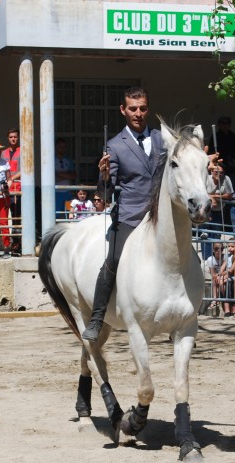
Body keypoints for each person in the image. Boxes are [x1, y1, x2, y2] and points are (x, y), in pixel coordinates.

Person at [82, 87, 165, 341]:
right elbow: (106, 195)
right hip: (130, 216)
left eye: (142, 109)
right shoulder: (115, 145)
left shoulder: (163, 139)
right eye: (132, 109)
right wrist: (104, 176)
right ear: (123, 110)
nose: (138, 114)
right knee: (112, 262)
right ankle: (96, 319)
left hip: (161, 216)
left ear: (147, 109)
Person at [3, 128, 22, 250]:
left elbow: (25, 169)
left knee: (17, 215)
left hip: (18, 188)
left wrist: (12, 178)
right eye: (11, 137)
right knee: (6, 216)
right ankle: (7, 243)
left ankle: (17, 243)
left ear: (18, 138)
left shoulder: (22, 151)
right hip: (5, 189)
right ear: (8, 138)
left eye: (15, 136)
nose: (13, 139)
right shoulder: (3, 153)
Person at [55, 137, 78, 216]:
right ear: (56, 147)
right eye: (60, 147)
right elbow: (54, 177)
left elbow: (74, 175)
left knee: (69, 214)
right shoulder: (52, 160)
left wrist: (60, 174)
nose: (63, 149)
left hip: (68, 192)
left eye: (64, 147)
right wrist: (67, 175)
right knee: (55, 214)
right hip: (56, 192)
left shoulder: (68, 160)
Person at [222, 239, 235, 317]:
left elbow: (232, 269)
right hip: (231, 276)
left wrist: (224, 273)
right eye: (229, 246)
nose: (230, 248)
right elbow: (224, 267)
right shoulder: (229, 256)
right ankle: (227, 309)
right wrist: (220, 274)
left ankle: (232, 309)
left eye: (232, 246)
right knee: (225, 282)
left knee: (230, 284)